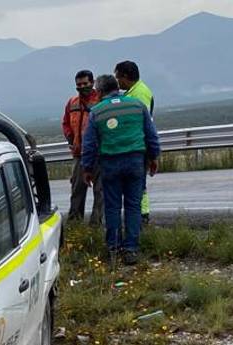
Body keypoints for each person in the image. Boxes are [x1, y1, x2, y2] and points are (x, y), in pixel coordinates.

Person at [81, 74, 160, 265]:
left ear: (99, 92)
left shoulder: (96, 112)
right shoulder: (137, 105)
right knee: (133, 207)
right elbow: (151, 134)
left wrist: (87, 168)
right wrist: (154, 157)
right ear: (117, 88)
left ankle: (114, 249)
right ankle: (131, 249)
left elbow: (89, 144)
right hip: (135, 162)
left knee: (112, 207)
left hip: (110, 164)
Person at [114, 60, 154, 224]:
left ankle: (142, 215)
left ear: (125, 76)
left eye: (118, 78)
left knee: (139, 183)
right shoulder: (132, 92)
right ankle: (140, 214)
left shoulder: (139, 93)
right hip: (136, 145)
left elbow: (140, 120)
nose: (117, 82)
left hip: (138, 146)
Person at [62, 70, 103, 225]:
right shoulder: (72, 103)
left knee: (100, 192)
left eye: (85, 83)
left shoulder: (100, 100)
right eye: (79, 85)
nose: (82, 87)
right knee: (77, 191)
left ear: (92, 83)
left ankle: (96, 226)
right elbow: (65, 123)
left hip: (99, 154)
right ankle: (74, 225)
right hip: (79, 154)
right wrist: (70, 138)